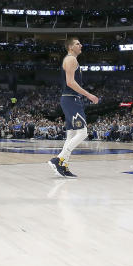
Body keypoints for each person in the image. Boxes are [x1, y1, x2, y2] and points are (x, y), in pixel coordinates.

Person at [50, 38, 99, 177]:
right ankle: (59, 159)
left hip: (69, 99)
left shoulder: (70, 59)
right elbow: (70, 82)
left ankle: (63, 166)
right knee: (82, 133)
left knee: (71, 135)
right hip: (71, 99)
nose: (81, 45)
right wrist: (89, 95)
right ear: (70, 47)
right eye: (78, 43)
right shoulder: (71, 59)